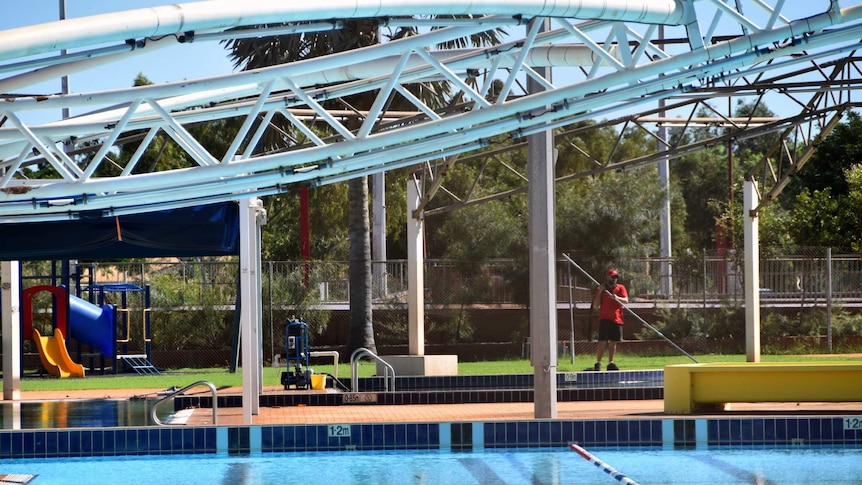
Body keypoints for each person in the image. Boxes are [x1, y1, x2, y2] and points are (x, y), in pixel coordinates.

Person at [591, 268, 629, 371]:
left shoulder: (620, 288)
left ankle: (610, 362)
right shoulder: (602, 289)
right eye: (613, 277)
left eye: (616, 277)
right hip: (605, 318)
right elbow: (596, 305)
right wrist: (601, 291)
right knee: (602, 341)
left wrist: (616, 297)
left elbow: (626, 301)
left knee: (613, 342)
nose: (614, 279)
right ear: (608, 277)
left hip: (616, 319)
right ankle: (598, 362)